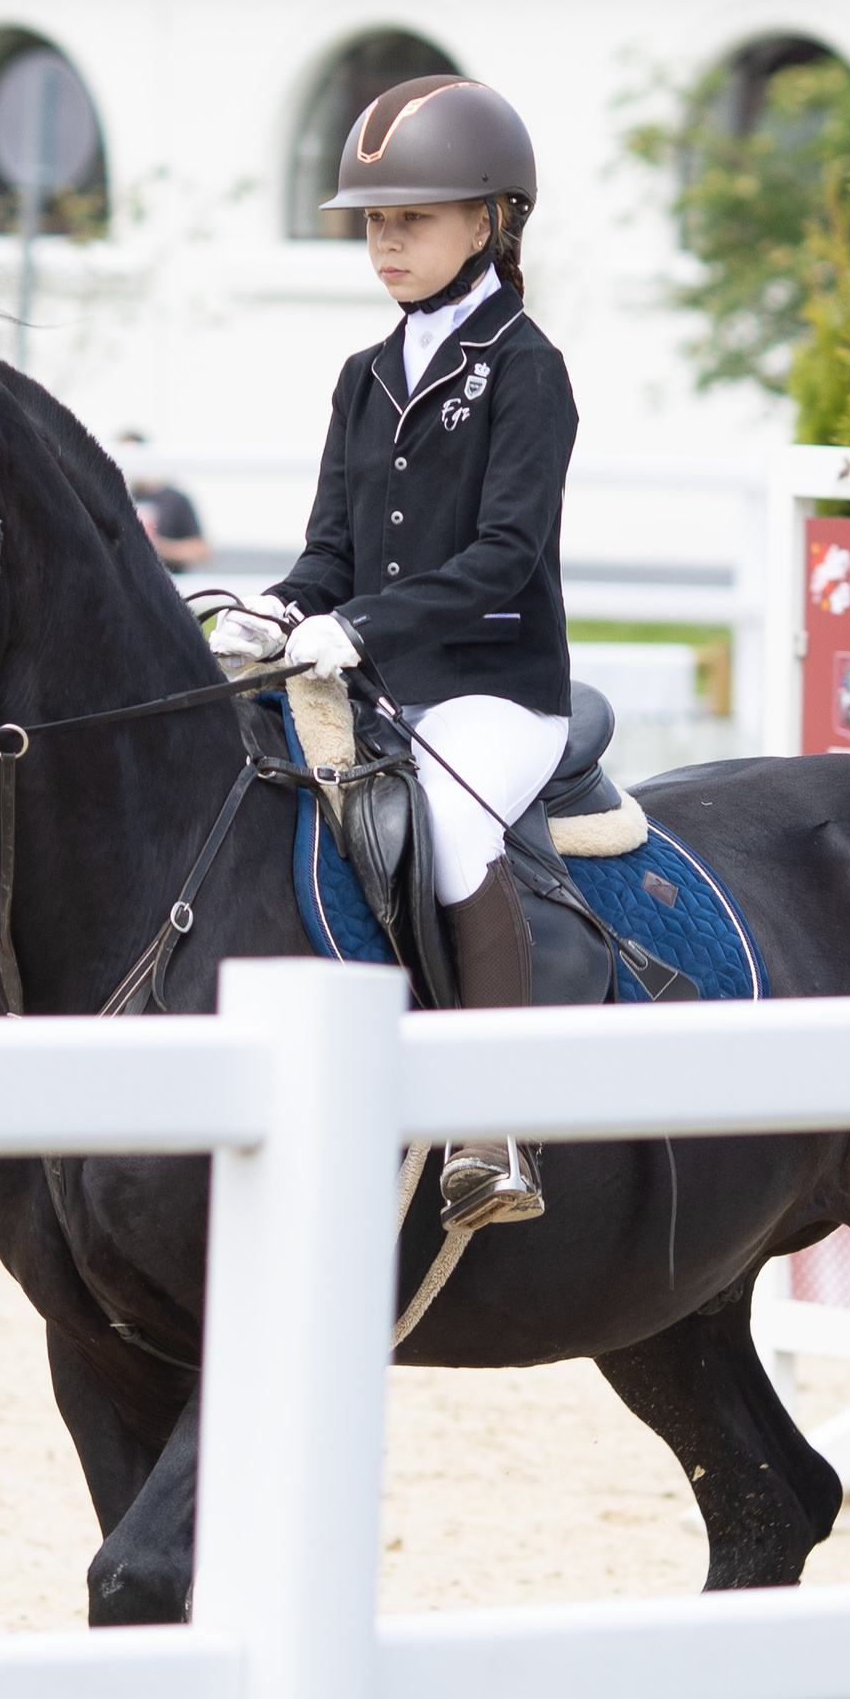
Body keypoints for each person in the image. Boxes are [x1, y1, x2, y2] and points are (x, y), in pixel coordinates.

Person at [209, 74, 572, 1228]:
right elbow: (329, 548)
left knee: (454, 829)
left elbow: (509, 553)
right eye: (374, 221)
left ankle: (493, 1125)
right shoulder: (365, 376)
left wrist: (357, 626)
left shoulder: (525, 368)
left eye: (410, 218)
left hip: (497, 689)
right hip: (376, 687)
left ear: (490, 221)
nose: (386, 241)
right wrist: (275, 609)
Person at [119, 434, 212, 572]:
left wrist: (159, 548)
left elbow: (201, 550)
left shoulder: (175, 499)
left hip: (170, 582)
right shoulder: (121, 498)